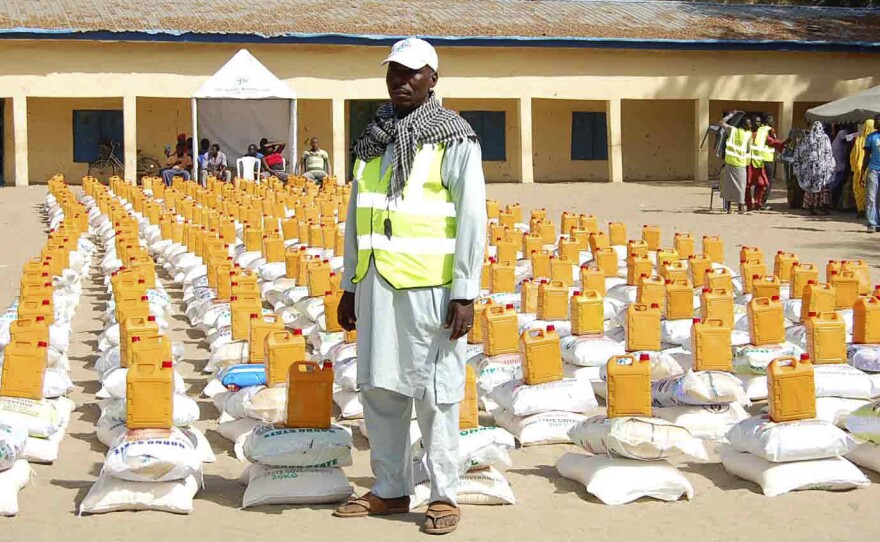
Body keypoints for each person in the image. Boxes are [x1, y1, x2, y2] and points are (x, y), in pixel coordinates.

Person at [333, 37, 485, 536]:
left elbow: (471, 218)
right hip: (377, 285)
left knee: (436, 395)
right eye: (394, 72)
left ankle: (443, 494)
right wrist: (350, 283)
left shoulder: (454, 137)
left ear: (433, 80)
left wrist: (465, 291)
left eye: (413, 73)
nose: (401, 81)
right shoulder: (372, 140)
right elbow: (358, 217)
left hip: (431, 291)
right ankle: (391, 489)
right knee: (381, 390)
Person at [794, 121, 835, 215]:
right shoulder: (825, 138)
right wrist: (830, 164)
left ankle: (811, 207)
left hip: (811, 168)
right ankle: (824, 207)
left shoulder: (808, 138)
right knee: (824, 186)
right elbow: (829, 152)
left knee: (811, 187)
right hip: (822, 168)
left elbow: (802, 151)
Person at [719, 112, 751, 214]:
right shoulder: (748, 135)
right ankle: (741, 207)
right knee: (741, 187)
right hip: (741, 164)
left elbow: (721, 122)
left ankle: (729, 209)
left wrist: (731, 114)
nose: (750, 125)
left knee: (728, 186)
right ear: (743, 124)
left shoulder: (732, 130)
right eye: (748, 123)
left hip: (730, 163)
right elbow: (748, 151)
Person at [851, 118, 875, 216]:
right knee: (872, 192)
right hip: (872, 168)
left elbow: (853, 155)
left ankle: (861, 209)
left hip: (859, 170)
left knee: (859, 190)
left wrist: (854, 168)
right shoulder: (875, 139)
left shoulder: (859, 140)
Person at [761, 114, 785, 209]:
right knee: (768, 181)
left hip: (760, 158)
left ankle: (759, 201)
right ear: (768, 121)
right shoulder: (769, 130)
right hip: (767, 159)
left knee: (761, 181)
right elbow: (772, 142)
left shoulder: (761, 129)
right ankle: (763, 202)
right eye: (771, 120)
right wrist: (784, 143)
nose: (773, 122)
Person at [747, 115, 769, 211]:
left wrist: (783, 143)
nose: (758, 124)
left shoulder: (762, 133)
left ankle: (757, 203)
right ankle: (748, 204)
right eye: (756, 122)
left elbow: (771, 141)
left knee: (761, 184)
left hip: (758, 164)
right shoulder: (746, 133)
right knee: (747, 185)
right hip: (747, 163)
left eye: (759, 122)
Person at [863, 115, 880, 231]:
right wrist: (863, 172)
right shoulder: (870, 137)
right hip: (873, 169)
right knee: (871, 197)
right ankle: (871, 223)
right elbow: (866, 156)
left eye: (877, 120)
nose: (875, 122)